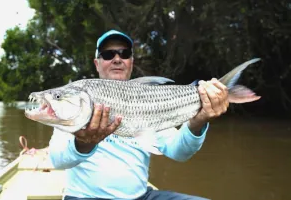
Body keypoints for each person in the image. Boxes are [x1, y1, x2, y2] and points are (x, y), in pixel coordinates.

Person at [48, 30, 229, 200]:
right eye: (108, 55)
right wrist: (82, 144)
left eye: (124, 53)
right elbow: (57, 159)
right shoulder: (76, 101)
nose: (117, 59)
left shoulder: (149, 99)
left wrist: (198, 122)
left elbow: (178, 152)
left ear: (131, 62)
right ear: (97, 63)